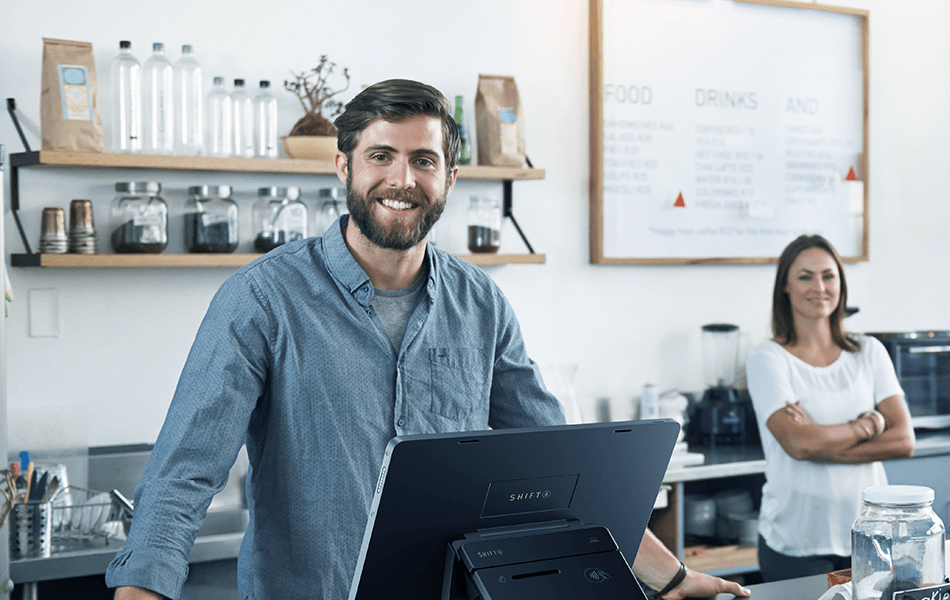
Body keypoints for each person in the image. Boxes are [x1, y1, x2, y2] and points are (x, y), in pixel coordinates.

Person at [106, 79, 749, 600]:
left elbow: (566, 471)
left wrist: (669, 576)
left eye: (423, 159)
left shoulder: (480, 303)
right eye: (380, 156)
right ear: (344, 166)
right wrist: (141, 593)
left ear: (449, 176)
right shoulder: (263, 300)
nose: (402, 179)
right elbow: (183, 475)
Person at [746, 234, 915, 582]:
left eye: (828, 275)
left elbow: (903, 441)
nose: (819, 287)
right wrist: (869, 424)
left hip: (870, 536)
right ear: (786, 288)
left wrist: (821, 445)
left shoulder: (869, 351)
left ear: (841, 283)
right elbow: (799, 444)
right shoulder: (767, 358)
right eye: (805, 276)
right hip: (795, 540)